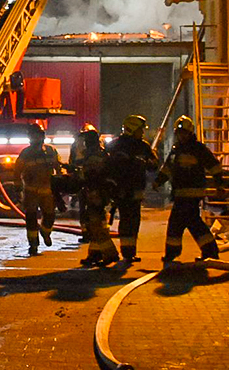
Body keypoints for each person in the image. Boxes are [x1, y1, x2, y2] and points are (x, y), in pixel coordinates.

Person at [155, 115, 225, 264]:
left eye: (184, 133)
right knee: (192, 223)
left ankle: (173, 254)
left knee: (177, 223)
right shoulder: (176, 150)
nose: (181, 136)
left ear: (190, 132)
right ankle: (210, 251)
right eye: (179, 133)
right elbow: (168, 169)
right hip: (181, 193)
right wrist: (158, 181)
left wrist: (219, 184)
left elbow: (214, 166)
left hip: (193, 193)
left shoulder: (198, 149)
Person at [105, 114, 158, 262]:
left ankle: (130, 251)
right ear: (132, 129)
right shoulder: (116, 145)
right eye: (140, 129)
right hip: (121, 189)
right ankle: (127, 252)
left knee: (133, 220)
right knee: (127, 219)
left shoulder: (143, 146)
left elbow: (154, 165)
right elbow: (108, 166)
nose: (142, 132)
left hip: (136, 189)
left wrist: (145, 162)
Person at [71, 124, 119, 267]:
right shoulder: (98, 153)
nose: (84, 143)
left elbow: (91, 176)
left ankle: (110, 253)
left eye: (86, 140)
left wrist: (75, 177)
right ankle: (94, 254)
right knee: (95, 225)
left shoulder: (93, 156)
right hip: (97, 193)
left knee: (96, 224)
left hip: (95, 193)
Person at [15, 123, 60, 256]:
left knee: (50, 216)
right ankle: (33, 245)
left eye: (38, 135)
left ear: (42, 136)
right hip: (31, 192)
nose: (35, 138)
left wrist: (61, 185)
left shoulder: (51, 151)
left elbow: (58, 169)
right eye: (33, 135)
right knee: (31, 218)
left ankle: (45, 232)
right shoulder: (25, 153)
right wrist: (18, 189)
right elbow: (17, 171)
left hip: (48, 191)